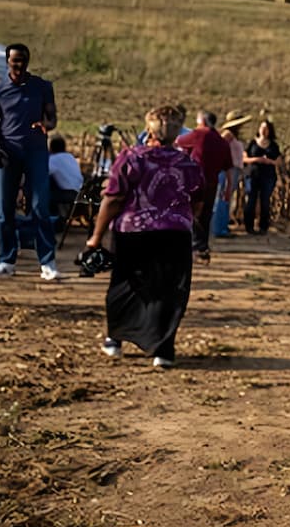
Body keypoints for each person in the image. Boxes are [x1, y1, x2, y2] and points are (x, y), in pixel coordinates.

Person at [85, 106, 206, 368]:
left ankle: (115, 340)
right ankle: (163, 349)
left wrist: (96, 236)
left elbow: (114, 198)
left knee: (126, 285)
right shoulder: (188, 163)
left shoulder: (132, 158)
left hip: (133, 232)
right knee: (169, 290)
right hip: (175, 234)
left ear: (148, 129)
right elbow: (198, 201)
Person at [0, 43, 60, 280]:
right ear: (7, 61)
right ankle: (6, 260)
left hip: (36, 151)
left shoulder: (43, 86)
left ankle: (47, 262)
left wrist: (46, 125)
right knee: (5, 210)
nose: (19, 64)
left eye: (23, 60)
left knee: (39, 207)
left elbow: (52, 118)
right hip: (8, 153)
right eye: (15, 60)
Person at [176, 111, 232, 260]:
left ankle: (194, 245)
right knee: (206, 215)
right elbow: (228, 168)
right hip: (213, 182)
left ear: (202, 122)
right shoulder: (222, 141)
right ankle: (203, 246)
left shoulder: (199, 134)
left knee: (192, 213)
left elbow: (178, 141)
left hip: (195, 181)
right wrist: (228, 188)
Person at [242, 119, 281, 234]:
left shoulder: (273, 145)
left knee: (265, 201)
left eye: (266, 128)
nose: (264, 130)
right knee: (251, 200)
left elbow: (278, 161)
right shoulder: (252, 143)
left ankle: (263, 226)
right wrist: (257, 159)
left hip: (268, 175)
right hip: (252, 174)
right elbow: (244, 158)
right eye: (262, 128)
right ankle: (249, 226)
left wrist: (269, 161)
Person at [216, 114, 248, 238]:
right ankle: (220, 228)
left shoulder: (232, 136)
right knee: (223, 197)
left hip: (233, 169)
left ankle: (223, 226)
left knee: (226, 198)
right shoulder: (227, 135)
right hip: (228, 169)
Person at [46, 134, 82, 228]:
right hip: (79, 192)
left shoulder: (53, 159)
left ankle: (54, 220)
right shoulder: (70, 157)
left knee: (45, 193)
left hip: (67, 194)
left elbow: (44, 173)